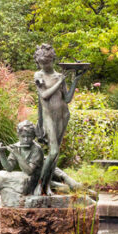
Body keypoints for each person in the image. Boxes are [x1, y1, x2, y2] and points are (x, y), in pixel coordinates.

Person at [33, 44, 78, 195]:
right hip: (49, 117)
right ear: (37, 62)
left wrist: (75, 80)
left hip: (63, 115)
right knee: (52, 152)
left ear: (52, 60)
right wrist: (60, 81)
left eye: (47, 62)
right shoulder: (38, 76)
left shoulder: (59, 76)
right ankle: (41, 186)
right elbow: (44, 96)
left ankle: (47, 187)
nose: (45, 66)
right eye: (41, 63)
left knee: (56, 154)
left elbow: (67, 98)